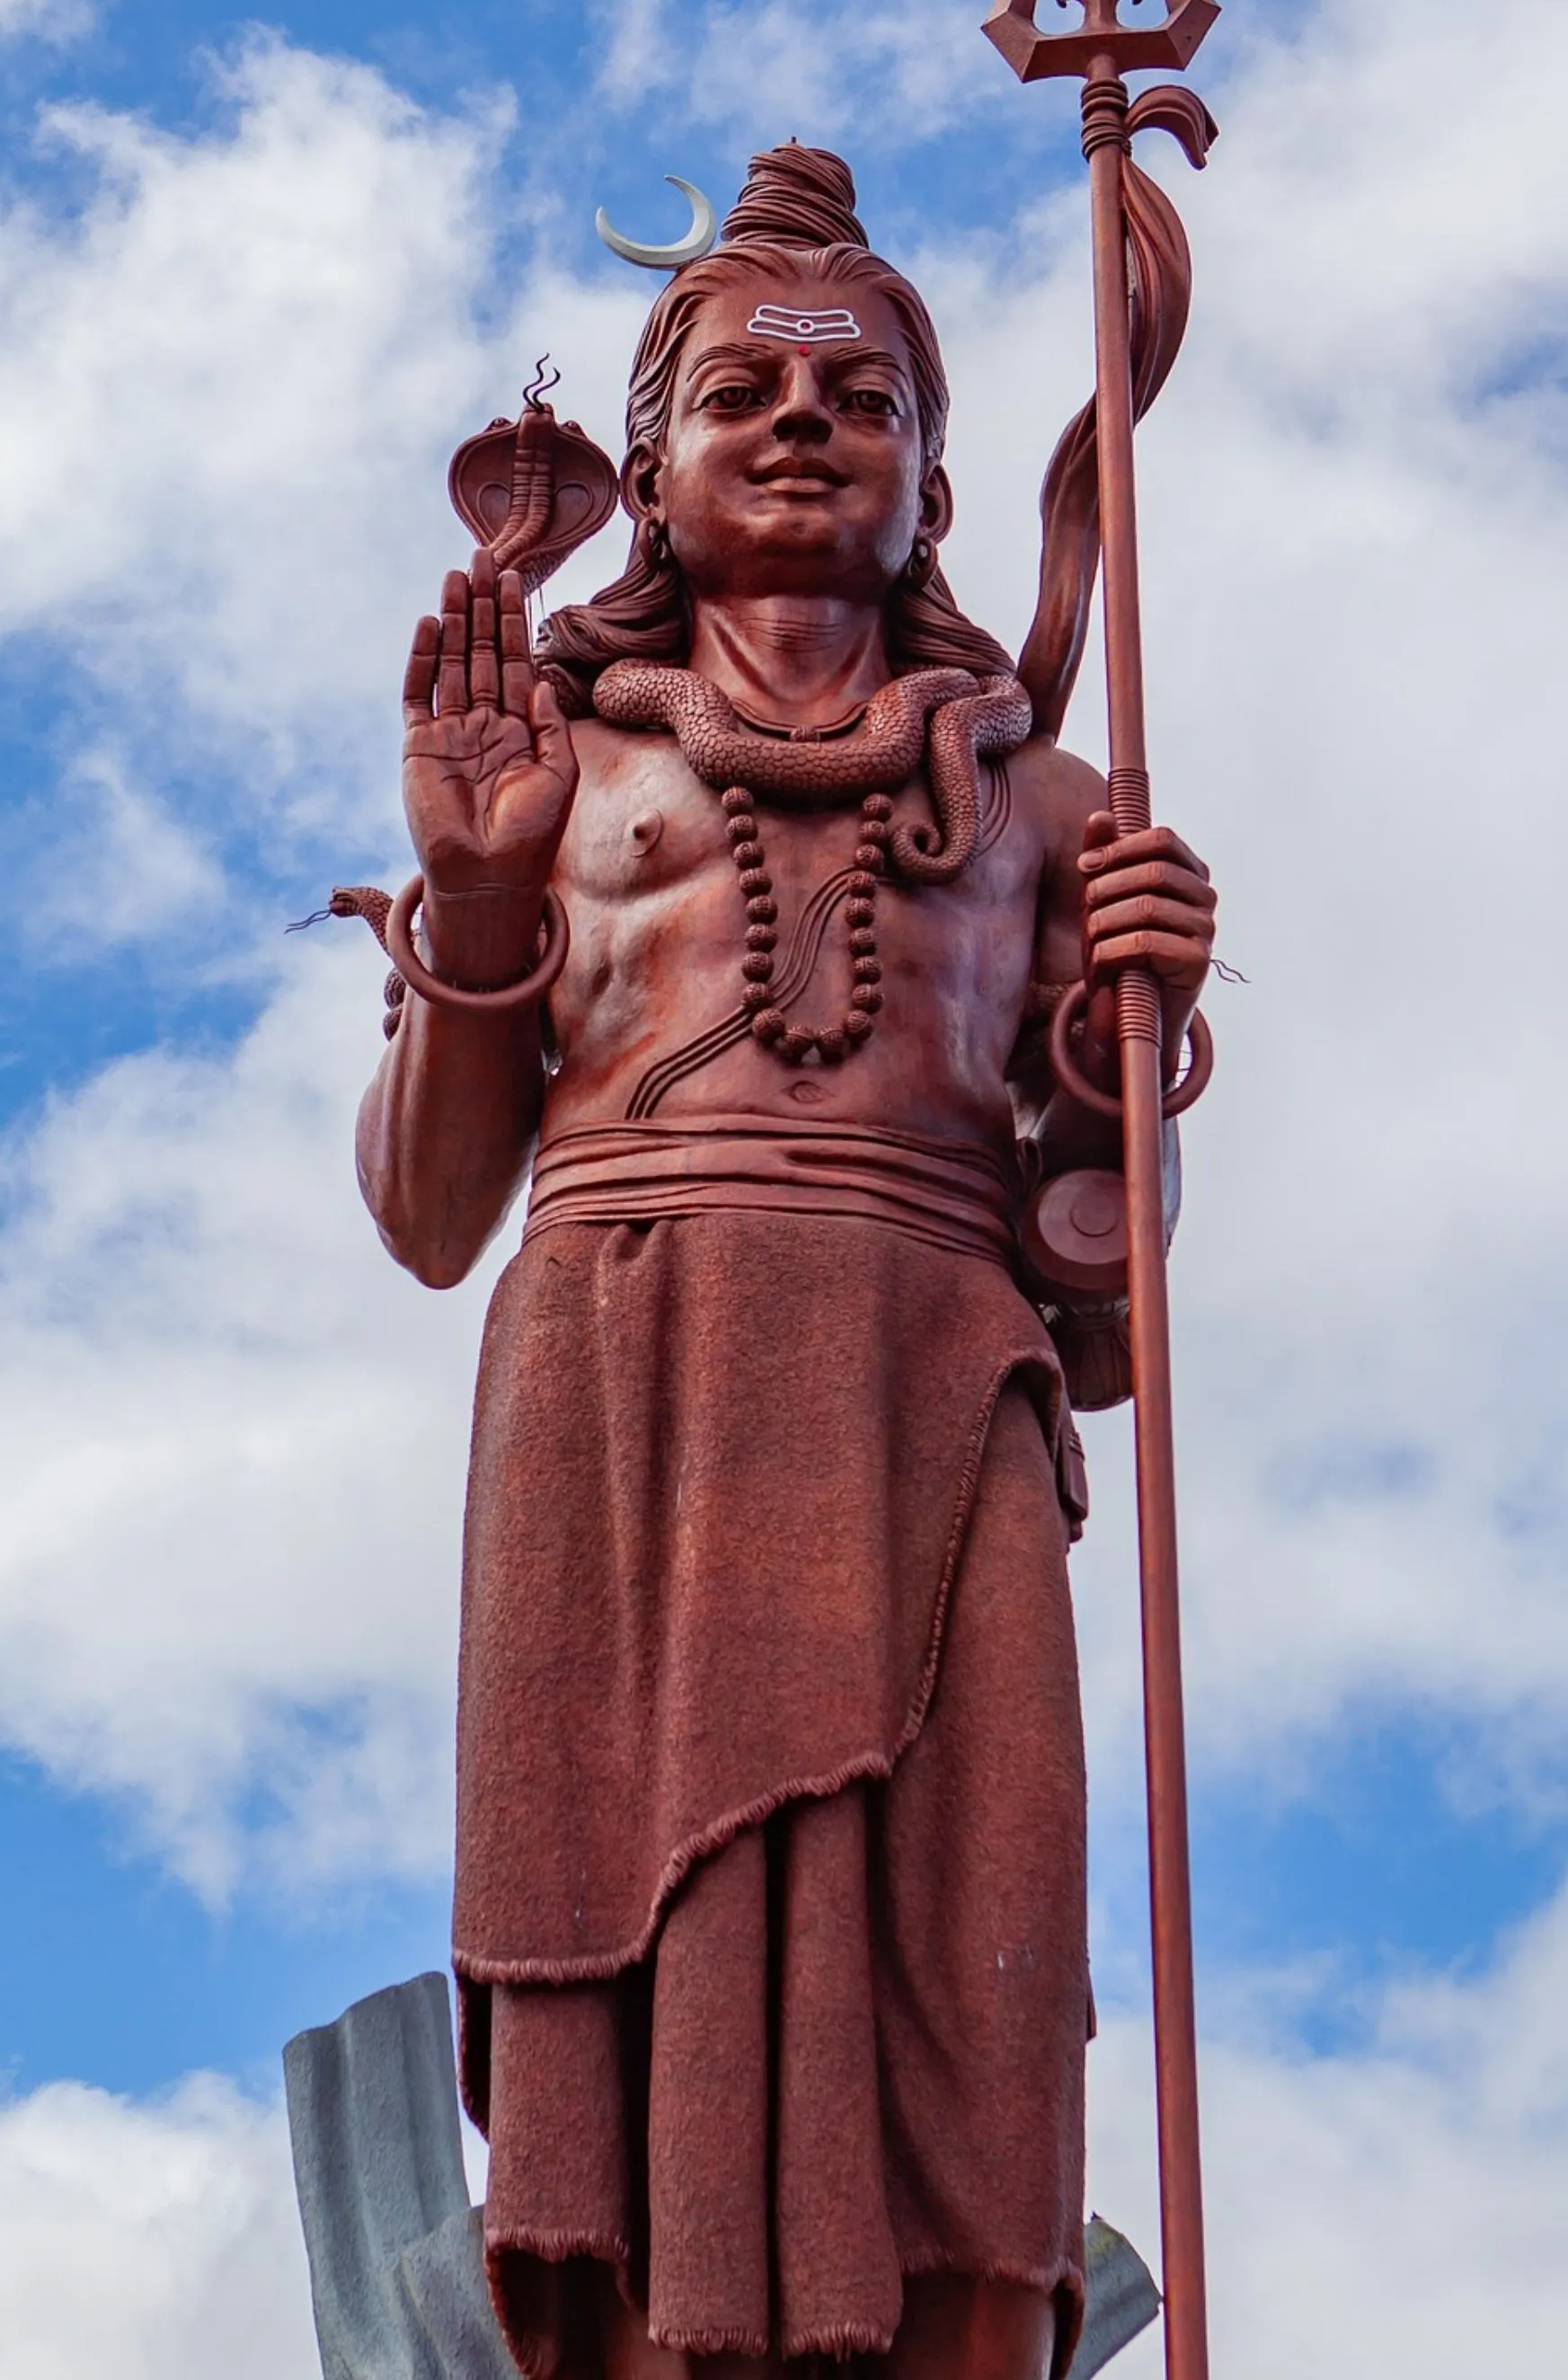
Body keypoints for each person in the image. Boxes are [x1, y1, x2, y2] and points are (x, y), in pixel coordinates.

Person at [356, 146, 1216, 2380]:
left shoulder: (1046, 804)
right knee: (647, 1968)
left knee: (978, 1940)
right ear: (654, 472)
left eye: (864, 394)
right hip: (627, 1364)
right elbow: (437, 1216)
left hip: (936, 1391)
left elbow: (1105, 1319)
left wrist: (1136, 1069)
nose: (808, 420)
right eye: (746, 389)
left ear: (934, 477)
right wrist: (465, 912)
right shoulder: (557, 753)